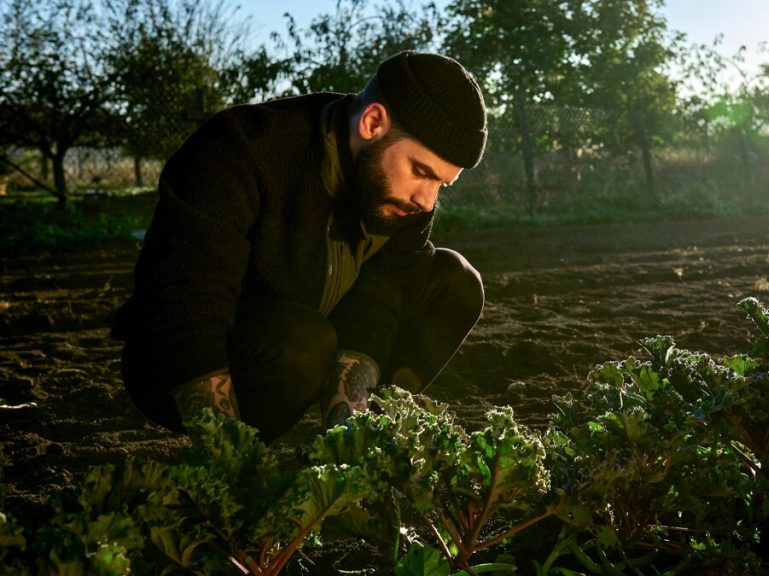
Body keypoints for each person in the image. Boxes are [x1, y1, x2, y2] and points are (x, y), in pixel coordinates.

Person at [111, 51, 487, 442]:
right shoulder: (239, 148)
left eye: (441, 184)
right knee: (304, 342)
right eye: (421, 171)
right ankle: (243, 447)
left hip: (308, 342)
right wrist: (226, 458)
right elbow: (187, 308)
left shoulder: (404, 201)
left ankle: (363, 441)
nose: (427, 201)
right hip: (179, 359)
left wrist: (346, 438)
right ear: (373, 122)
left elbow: (375, 309)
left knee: (455, 280)